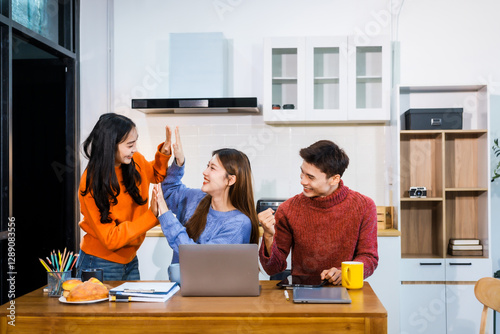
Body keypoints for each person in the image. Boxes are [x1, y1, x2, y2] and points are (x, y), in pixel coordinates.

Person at [258, 140, 378, 285]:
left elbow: (369, 258)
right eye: (302, 173)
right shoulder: (287, 209)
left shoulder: (364, 206)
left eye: (310, 177)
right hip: (302, 291)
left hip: (345, 289)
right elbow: (273, 269)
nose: (302, 181)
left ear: (334, 179)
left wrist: (345, 272)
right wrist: (269, 236)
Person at [76, 113, 172, 281]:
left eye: (135, 143)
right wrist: (151, 215)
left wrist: (163, 154)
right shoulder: (91, 183)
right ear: (110, 146)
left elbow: (155, 175)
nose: (135, 149)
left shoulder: (134, 161)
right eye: (129, 145)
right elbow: (111, 239)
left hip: (130, 260)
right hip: (98, 262)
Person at [151, 127, 260, 264]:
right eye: (207, 166)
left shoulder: (238, 223)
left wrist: (165, 215)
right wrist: (179, 162)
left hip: (213, 286)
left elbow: (200, 258)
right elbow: (169, 192)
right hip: (179, 283)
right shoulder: (196, 198)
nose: (205, 172)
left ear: (230, 180)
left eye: (212, 168)